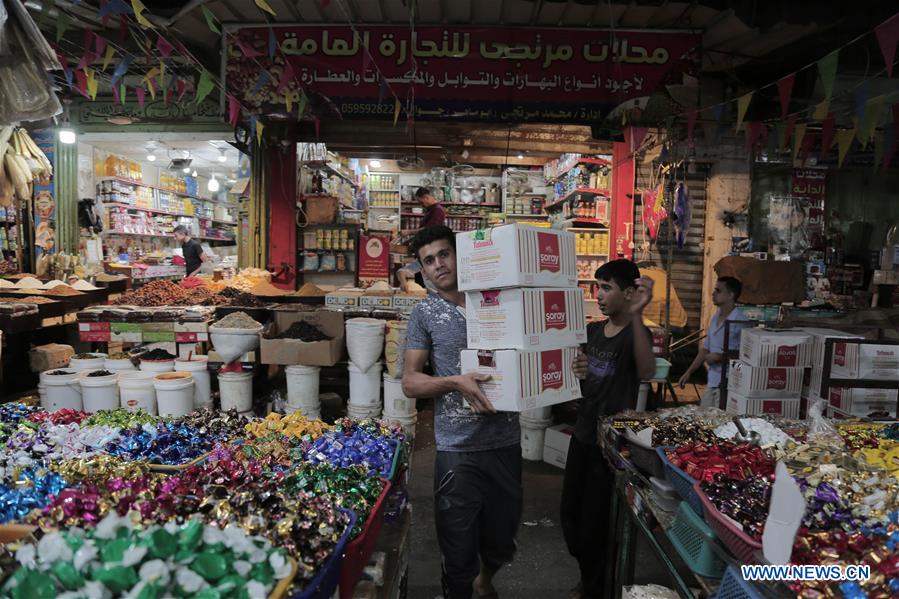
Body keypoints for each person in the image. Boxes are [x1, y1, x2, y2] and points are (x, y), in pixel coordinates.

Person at [402, 225, 585, 599]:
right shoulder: (425, 313)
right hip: (458, 448)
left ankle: (484, 582)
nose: (438, 265)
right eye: (428, 261)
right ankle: (459, 589)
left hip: (504, 442)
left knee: (502, 537)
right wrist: (455, 382)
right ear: (422, 271)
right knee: (456, 543)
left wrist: (570, 362)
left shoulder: (502, 299)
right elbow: (410, 382)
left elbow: (542, 344)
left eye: (444, 254)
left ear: (460, 254)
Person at [561, 259, 655, 599]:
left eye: (606, 288)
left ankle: (596, 586)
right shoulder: (593, 331)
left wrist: (638, 314)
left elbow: (647, 371)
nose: (598, 294)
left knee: (596, 524)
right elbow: (579, 373)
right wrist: (577, 368)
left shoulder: (635, 334)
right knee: (569, 516)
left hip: (612, 445)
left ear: (629, 292)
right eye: (597, 287)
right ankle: (590, 574)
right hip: (583, 434)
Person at [678, 276, 743, 408]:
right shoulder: (715, 318)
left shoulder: (740, 321)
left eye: (718, 291)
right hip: (712, 381)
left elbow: (746, 356)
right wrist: (689, 372)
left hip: (729, 385)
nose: (713, 294)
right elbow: (705, 349)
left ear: (730, 295)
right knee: (705, 421)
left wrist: (720, 357)